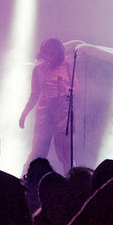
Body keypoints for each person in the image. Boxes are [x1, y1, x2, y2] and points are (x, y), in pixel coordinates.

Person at [19, 39, 75, 171]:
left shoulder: (67, 66)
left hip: (63, 115)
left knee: (65, 154)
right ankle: (27, 177)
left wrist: (65, 88)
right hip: (44, 115)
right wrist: (24, 114)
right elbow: (34, 94)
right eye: (46, 53)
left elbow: (75, 89)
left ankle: (72, 178)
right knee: (37, 151)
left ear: (58, 53)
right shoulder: (38, 69)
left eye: (52, 53)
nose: (49, 56)